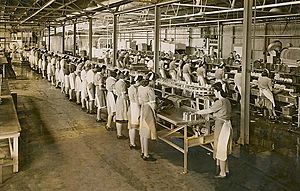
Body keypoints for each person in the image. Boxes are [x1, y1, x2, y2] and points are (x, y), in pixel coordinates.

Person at [194, 82, 232, 178]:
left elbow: (209, 110)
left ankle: (222, 173)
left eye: (214, 91)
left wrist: (197, 112)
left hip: (221, 126)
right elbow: (221, 113)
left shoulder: (220, 102)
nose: (213, 93)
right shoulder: (227, 101)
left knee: (220, 149)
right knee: (224, 148)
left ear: (217, 91)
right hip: (226, 125)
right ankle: (226, 170)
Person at [138, 74, 157, 161]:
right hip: (148, 109)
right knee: (146, 131)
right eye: (154, 81)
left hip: (143, 108)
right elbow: (153, 104)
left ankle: (143, 151)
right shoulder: (150, 89)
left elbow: (140, 100)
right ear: (151, 81)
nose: (155, 83)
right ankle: (146, 155)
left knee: (142, 131)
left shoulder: (140, 87)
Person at [127, 75, 143, 149]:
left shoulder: (131, 87)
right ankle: (133, 144)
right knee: (135, 126)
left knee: (131, 126)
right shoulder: (135, 89)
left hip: (131, 106)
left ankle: (131, 142)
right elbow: (137, 101)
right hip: (135, 108)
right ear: (138, 81)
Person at [114, 71, 129, 139]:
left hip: (118, 99)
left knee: (119, 116)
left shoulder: (117, 82)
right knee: (121, 116)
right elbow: (123, 95)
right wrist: (128, 98)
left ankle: (119, 133)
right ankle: (119, 134)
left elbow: (115, 91)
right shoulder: (123, 83)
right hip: (122, 101)